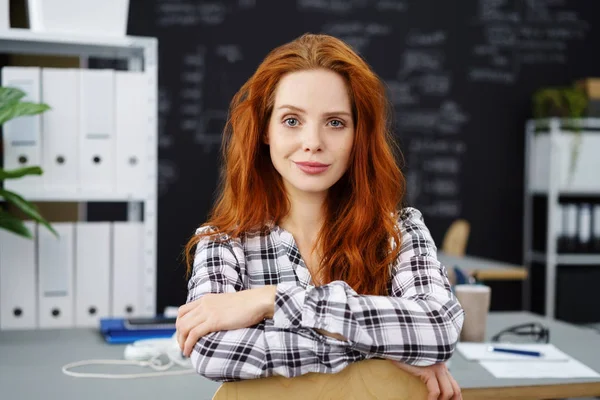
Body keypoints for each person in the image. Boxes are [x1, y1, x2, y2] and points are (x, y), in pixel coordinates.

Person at [176, 33, 465, 400]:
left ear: (358, 135)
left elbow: (439, 327)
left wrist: (272, 300)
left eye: (335, 123)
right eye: (292, 120)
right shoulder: (221, 243)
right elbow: (212, 353)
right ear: (265, 130)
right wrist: (389, 350)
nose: (313, 141)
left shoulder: (400, 230)